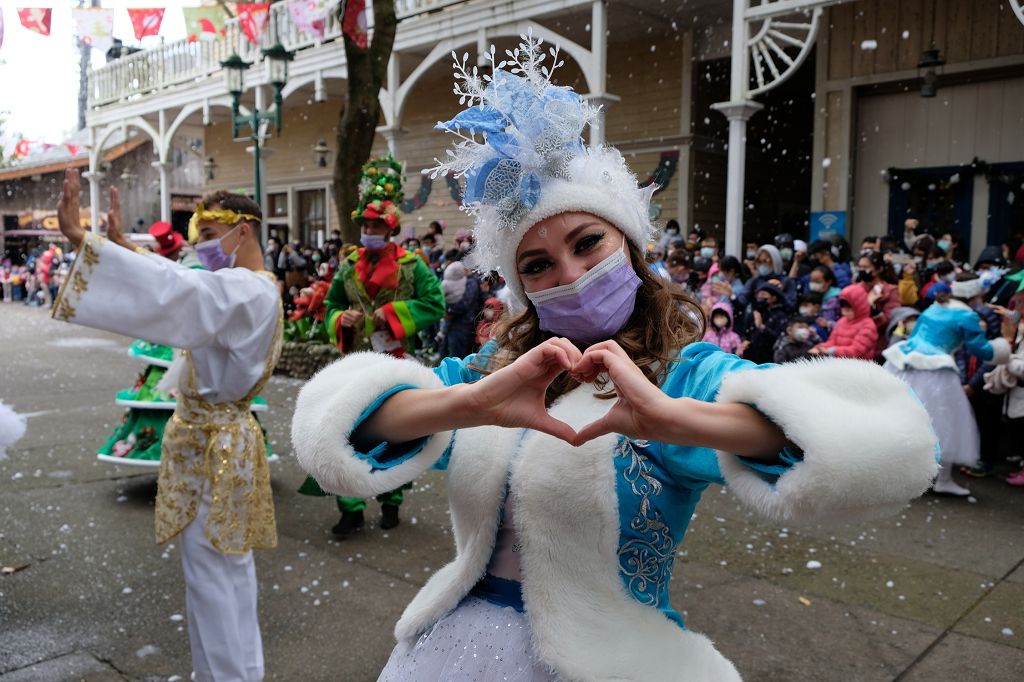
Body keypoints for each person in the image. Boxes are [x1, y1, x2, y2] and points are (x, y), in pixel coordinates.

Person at [291, 37, 937, 681]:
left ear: (629, 243)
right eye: (538, 265)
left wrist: (671, 419)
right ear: (521, 288)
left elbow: (884, 450)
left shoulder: (685, 373)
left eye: (587, 242)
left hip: (607, 663)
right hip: (443, 654)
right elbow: (339, 432)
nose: (569, 274)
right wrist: (471, 404)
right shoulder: (501, 368)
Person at [53, 171, 281, 682]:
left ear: (242, 230)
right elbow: (186, 286)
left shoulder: (244, 291)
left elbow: (184, 291)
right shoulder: (248, 289)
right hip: (223, 440)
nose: (200, 247)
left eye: (207, 236)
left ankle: (226, 676)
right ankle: (233, 674)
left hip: (212, 446)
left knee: (212, 575)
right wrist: (118, 247)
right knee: (228, 572)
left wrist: (84, 242)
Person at [300, 154, 446, 537]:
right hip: (352, 363)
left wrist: (396, 313)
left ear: (390, 228)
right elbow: (331, 304)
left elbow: (436, 304)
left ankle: (391, 500)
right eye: (365, 223)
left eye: (376, 224)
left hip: (394, 363)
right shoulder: (348, 265)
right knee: (344, 430)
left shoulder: (414, 266)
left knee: (393, 432)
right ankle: (349, 506)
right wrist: (338, 319)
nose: (369, 229)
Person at [883, 281, 1013, 496]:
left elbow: (915, 336)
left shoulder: (934, 307)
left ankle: (899, 475)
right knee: (945, 423)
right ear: (975, 295)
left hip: (905, 365)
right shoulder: (967, 316)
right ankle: (942, 479)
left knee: (904, 419)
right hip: (937, 372)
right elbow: (981, 350)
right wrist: (1004, 344)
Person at [808, 284, 878, 360]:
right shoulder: (842, 321)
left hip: (859, 366)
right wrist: (820, 348)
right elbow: (832, 341)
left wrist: (832, 351)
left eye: (849, 308)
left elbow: (857, 350)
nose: (845, 311)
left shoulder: (868, 325)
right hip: (839, 362)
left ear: (859, 306)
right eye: (843, 307)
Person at [856, 251, 901, 359]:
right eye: (860, 267)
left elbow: (890, 322)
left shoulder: (890, 291)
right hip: (855, 343)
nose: (862, 270)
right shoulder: (855, 289)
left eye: (866, 267)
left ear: (879, 269)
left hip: (877, 348)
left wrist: (872, 307)